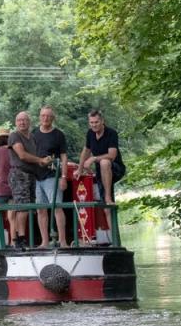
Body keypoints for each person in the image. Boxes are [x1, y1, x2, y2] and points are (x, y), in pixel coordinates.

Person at [74, 109, 126, 231]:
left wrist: (94, 158)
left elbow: (112, 155)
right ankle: (114, 241)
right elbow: (85, 151)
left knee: (104, 162)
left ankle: (108, 197)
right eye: (91, 122)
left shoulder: (111, 133)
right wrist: (80, 169)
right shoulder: (90, 134)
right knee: (106, 208)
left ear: (102, 121)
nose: (94, 125)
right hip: (102, 173)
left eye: (96, 122)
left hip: (115, 168)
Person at [7, 111, 53, 248]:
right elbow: (22, 155)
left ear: (29, 122)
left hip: (32, 175)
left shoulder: (32, 137)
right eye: (19, 120)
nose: (22, 122)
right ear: (16, 123)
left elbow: (36, 157)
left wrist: (46, 161)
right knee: (23, 207)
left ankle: (25, 238)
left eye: (24, 120)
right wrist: (40, 160)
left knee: (30, 207)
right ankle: (19, 239)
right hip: (19, 174)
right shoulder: (14, 136)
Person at [32, 105, 69, 248]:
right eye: (43, 115)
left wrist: (64, 176)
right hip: (37, 177)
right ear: (39, 117)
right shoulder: (34, 133)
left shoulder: (58, 135)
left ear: (53, 118)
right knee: (41, 209)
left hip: (53, 176)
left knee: (57, 207)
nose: (45, 118)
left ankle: (63, 241)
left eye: (48, 116)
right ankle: (45, 242)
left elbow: (64, 157)